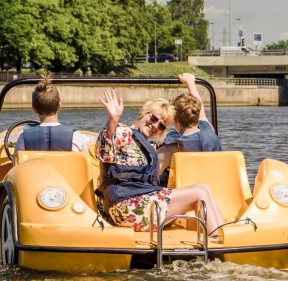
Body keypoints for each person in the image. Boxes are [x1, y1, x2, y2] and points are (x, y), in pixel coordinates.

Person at [96, 88, 227, 239]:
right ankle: (218, 243)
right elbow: (104, 151)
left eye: (162, 126)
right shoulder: (122, 132)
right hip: (126, 205)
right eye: (153, 119)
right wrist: (113, 120)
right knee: (200, 193)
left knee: (204, 187)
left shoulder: (144, 143)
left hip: (140, 200)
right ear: (145, 112)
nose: (155, 126)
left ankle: (224, 235)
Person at [157, 73, 222, 169]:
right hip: (217, 182)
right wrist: (190, 83)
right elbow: (202, 112)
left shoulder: (172, 149)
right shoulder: (209, 129)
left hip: (187, 183)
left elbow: (152, 174)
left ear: (175, 119)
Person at [15, 75, 90, 153]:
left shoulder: (23, 138)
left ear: (34, 109)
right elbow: (85, 162)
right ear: (59, 106)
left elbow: (17, 163)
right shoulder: (75, 137)